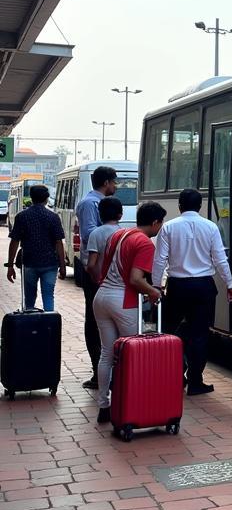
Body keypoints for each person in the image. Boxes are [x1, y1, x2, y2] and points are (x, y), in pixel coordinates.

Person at [152, 188, 232, 396]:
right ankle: (196, 381)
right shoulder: (210, 227)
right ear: (200, 206)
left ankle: (175, 374)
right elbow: (219, 259)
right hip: (203, 287)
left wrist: (156, 286)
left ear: (180, 206)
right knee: (199, 335)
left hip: (177, 286)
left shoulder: (169, 228)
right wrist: (230, 284)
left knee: (170, 332)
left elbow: (159, 259)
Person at [92, 201, 166, 425]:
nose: (160, 228)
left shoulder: (120, 234)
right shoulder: (145, 243)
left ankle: (104, 405)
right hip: (123, 301)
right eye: (160, 223)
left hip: (102, 296)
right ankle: (131, 405)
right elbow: (135, 279)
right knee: (132, 354)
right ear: (155, 222)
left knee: (107, 353)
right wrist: (154, 292)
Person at [76, 165, 119, 389]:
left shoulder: (98, 204)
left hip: (109, 272)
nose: (116, 186)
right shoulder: (89, 204)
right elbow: (88, 234)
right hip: (95, 273)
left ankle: (112, 372)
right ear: (105, 183)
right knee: (94, 321)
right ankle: (98, 371)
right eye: (114, 182)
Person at [5, 185, 67, 311]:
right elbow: (59, 243)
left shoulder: (21, 216)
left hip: (29, 263)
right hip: (50, 263)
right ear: (47, 198)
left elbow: (14, 242)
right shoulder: (53, 217)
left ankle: (30, 326)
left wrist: (10, 265)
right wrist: (63, 266)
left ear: (31, 198)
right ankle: (49, 327)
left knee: (29, 298)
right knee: (48, 296)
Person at [85, 196, 124, 285]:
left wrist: (96, 279)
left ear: (100, 214)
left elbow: (91, 265)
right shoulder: (123, 234)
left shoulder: (95, 234)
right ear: (120, 216)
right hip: (119, 283)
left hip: (101, 282)